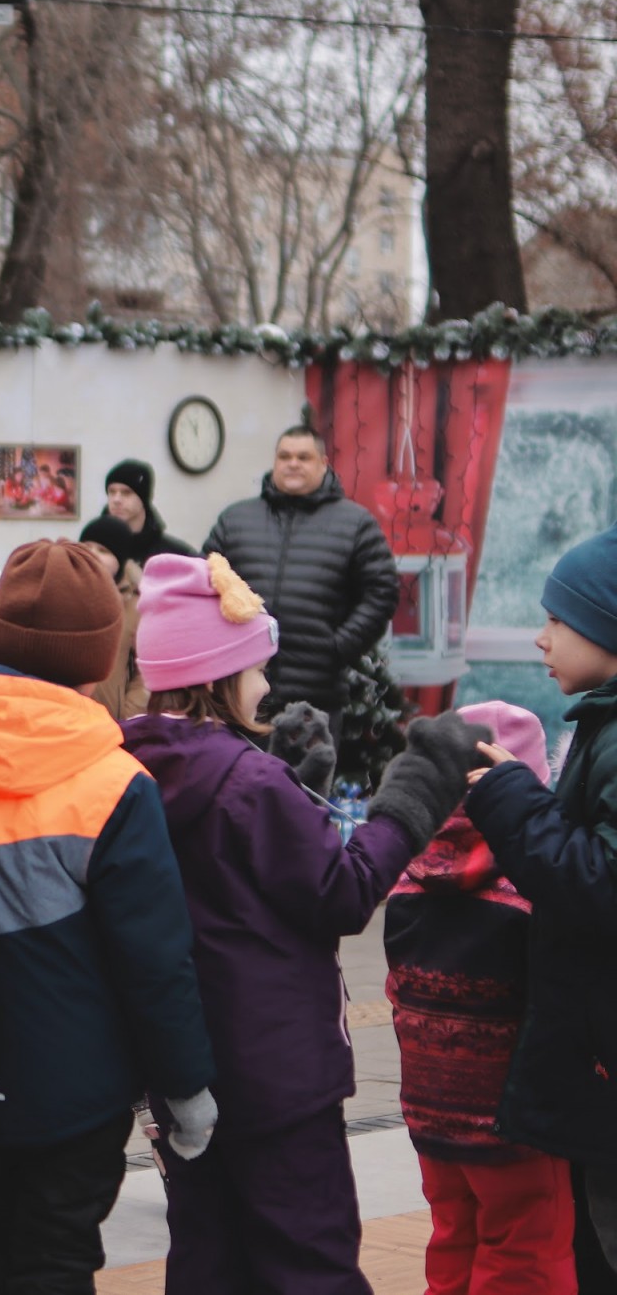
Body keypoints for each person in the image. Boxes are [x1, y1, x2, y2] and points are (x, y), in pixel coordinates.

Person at [122, 551, 479, 1295]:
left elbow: (233, 865)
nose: (269, 683)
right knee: (309, 1261)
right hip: (278, 1075)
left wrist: (289, 782)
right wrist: (414, 792)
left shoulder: (130, 764)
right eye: (256, 667)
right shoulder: (248, 782)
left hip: (183, 1070)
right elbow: (341, 893)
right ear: (219, 675)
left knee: (208, 1255)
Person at [0, 539, 217, 1294]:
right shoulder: (114, 782)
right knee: (56, 1257)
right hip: (73, 1085)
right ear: (97, 657)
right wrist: (185, 1085)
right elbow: (155, 959)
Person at [463, 523, 617, 1289]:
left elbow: (600, 884)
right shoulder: (603, 726)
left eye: (558, 620)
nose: (540, 637)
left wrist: (511, 800)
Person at [384, 699, 575, 1294]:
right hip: (513, 1118)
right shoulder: (530, 883)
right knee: (524, 1253)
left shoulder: (408, 871)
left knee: (452, 1241)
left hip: (429, 1109)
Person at [202, 425, 398, 719]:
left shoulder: (355, 523)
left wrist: (338, 648)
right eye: (284, 456)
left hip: (316, 698)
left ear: (323, 464)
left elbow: (382, 592)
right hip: (240, 694)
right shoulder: (235, 520)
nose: (292, 464)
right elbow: (204, 582)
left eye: (303, 457)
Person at [78, 515, 148, 722]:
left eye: (103, 551)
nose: (92, 554)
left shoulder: (137, 606)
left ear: (120, 560)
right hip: (66, 715)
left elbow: (144, 671)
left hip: (113, 721)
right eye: (87, 546)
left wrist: (128, 716)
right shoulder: (64, 594)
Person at [83, 460, 195, 569]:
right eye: (112, 492)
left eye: (126, 492)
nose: (116, 500)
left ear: (144, 499)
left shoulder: (174, 555)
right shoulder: (91, 547)